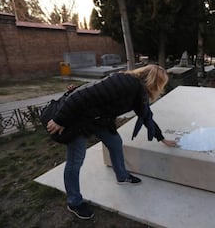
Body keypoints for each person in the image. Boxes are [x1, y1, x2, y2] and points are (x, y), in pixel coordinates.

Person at [46, 64, 177, 220]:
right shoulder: (125, 82)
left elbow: (147, 116)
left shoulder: (138, 92)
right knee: (75, 161)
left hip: (98, 119)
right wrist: (59, 120)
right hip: (77, 121)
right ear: (156, 82)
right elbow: (82, 95)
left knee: (115, 143)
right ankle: (74, 202)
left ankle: (122, 176)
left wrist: (162, 138)